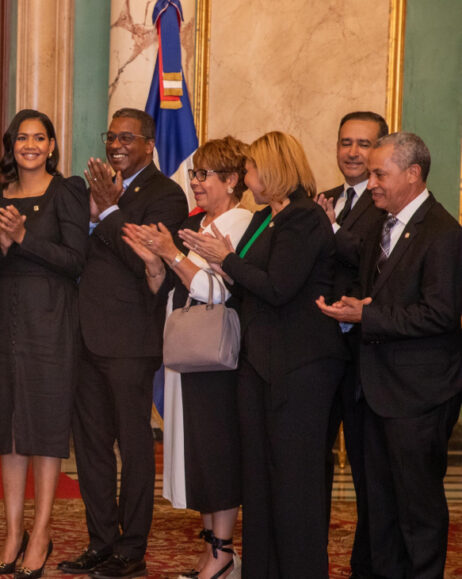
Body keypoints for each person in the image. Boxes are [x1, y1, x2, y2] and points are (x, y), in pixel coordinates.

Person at [183, 131, 347, 577]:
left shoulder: (305, 218)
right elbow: (246, 284)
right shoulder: (262, 219)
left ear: (272, 170)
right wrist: (217, 263)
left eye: (251, 169)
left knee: (294, 481)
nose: (246, 177)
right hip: (260, 363)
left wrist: (226, 259)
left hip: (302, 366)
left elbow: (278, 287)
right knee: (258, 478)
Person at [316, 132, 462, 577]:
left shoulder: (444, 234)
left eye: (381, 173)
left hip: (419, 395)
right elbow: (370, 293)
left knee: (416, 510)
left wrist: (369, 315)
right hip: (374, 389)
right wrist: (349, 309)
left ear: (413, 175)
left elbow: (440, 314)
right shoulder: (383, 223)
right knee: (378, 508)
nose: (371, 181)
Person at [60, 108, 186, 579]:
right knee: (90, 448)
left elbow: (146, 263)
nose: (116, 144)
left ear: (149, 144)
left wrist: (108, 212)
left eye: (127, 137)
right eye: (111, 136)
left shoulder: (167, 195)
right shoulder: (94, 189)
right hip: (84, 335)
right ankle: (101, 543)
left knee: (133, 448)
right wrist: (98, 213)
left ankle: (132, 550)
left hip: (131, 340)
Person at [122, 137, 254, 579]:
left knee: (216, 455)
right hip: (185, 350)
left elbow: (217, 291)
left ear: (232, 180)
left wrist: (172, 254)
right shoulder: (196, 221)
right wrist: (155, 264)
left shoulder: (240, 223)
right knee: (196, 454)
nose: (194, 182)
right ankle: (212, 550)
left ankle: (223, 553)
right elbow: (175, 290)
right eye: (193, 173)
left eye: (204, 175)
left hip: (216, 359)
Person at [0, 110, 88, 579]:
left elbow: (76, 259)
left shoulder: (68, 190)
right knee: (10, 427)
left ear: (52, 145)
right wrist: (1, 246)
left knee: (44, 426)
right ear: (11, 144)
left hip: (53, 319)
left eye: (40, 138)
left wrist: (22, 238)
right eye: (22, 137)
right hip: (5, 320)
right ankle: (12, 532)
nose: (31, 145)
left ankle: (41, 532)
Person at [314, 111, 388, 579]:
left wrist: (331, 230)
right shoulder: (327, 197)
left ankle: (367, 566)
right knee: (313, 463)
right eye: (346, 142)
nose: (353, 153)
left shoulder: (387, 200)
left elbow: (366, 257)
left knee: (368, 471)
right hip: (322, 354)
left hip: (369, 356)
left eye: (364, 144)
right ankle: (307, 558)